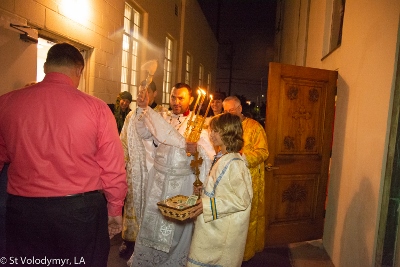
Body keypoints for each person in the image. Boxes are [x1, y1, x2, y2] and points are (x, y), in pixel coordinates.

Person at [0, 43, 127, 267]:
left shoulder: (7, 103)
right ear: (79, 70)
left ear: (46, 66)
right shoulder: (96, 108)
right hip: (79, 213)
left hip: (24, 212)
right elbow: (112, 165)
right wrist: (115, 208)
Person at [128, 82, 214, 267]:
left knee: (176, 229)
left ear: (190, 99)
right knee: (151, 223)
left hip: (182, 182)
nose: (176, 101)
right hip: (157, 180)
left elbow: (209, 156)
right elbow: (143, 133)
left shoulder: (198, 124)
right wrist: (141, 109)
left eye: (181, 98)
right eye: (173, 97)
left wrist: (196, 149)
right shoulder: (162, 118)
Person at [187, 113, 253, 267]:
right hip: (214, 227)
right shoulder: (222, 156)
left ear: (228, 132)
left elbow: (241, 200)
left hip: (223, 233)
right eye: (212, 130)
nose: (212, 134)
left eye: (216, 131)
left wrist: (207, 205)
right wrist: (203, 190)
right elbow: (222, 189)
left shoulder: (235, 163)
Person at [118, 79, 162, 258]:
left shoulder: (159, 116)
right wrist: (123, 164)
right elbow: (123, 141)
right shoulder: (130, 116)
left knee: (149, 205)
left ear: (153, 95)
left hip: (152, 169)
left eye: (145, 93)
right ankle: (129, 241)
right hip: (133, 169)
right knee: (131, 205)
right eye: (139, 93)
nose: (141, 97)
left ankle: (148, 243)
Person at [223, 95, 269, 261]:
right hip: (229, 179)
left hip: (250, 178)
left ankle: (246, 253)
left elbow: (263, 152)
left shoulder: (255, 127)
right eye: (225, 111)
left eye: (232, 110)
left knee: (247, 217)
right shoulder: (226, 127)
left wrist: (242, 157)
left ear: (240, 108)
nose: (228, 113)